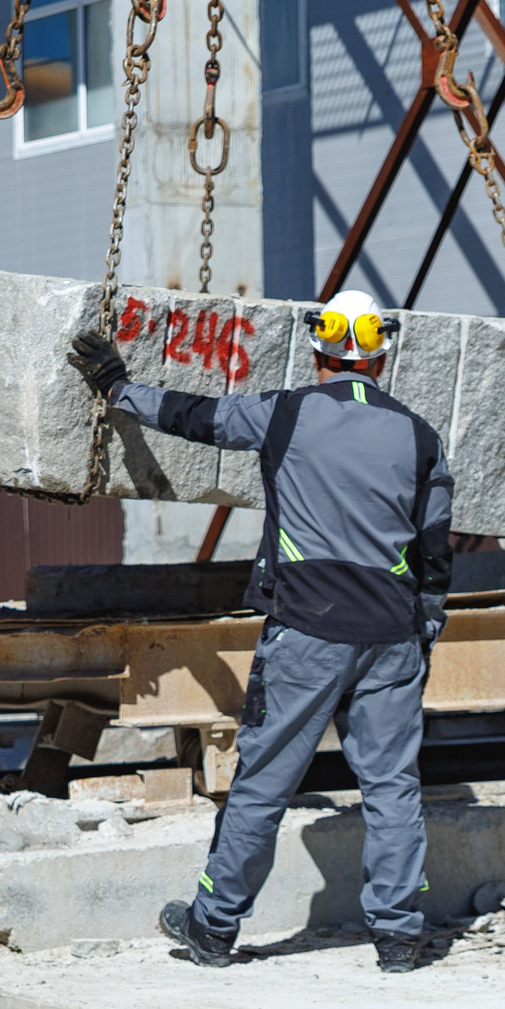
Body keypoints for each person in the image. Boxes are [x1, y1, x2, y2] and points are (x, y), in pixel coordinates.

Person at [68, 288, 455, 974]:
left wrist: (118, 388)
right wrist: (424, 630)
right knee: (393, 785)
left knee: (264, 783)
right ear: (382, 357)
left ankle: (213, 927)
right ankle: (399, 936)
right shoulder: (419, 435)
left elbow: (197, 418)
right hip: (391, 635)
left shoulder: (288, 414)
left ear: (317, 351)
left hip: (307, 628)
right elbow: (434, 549)